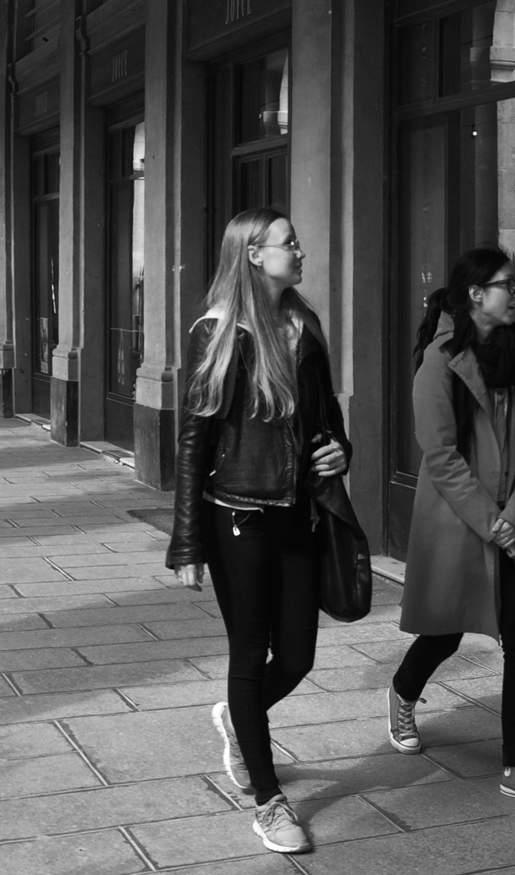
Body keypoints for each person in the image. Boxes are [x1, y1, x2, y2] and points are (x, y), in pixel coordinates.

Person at [165, 208, 349, 854]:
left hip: (297, 512)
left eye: (296, 241)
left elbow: (326, 421)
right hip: (237, 515)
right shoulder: (219, 331)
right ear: (252, 254)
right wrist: (186, 541)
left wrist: (340, 451)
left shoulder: (305, 326)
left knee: (297, 656)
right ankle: (269, 803)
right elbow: (194, 439)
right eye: (287, 242)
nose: (299, 250)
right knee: (249, 652)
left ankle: (238, 718)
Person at [387, 247, 515, 810]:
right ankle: (402, 692)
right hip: (461, 522)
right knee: (445, 631)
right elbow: (440, 456)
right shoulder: (439, 361)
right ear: (476, 294)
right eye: (508, 284)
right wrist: (493, 523)